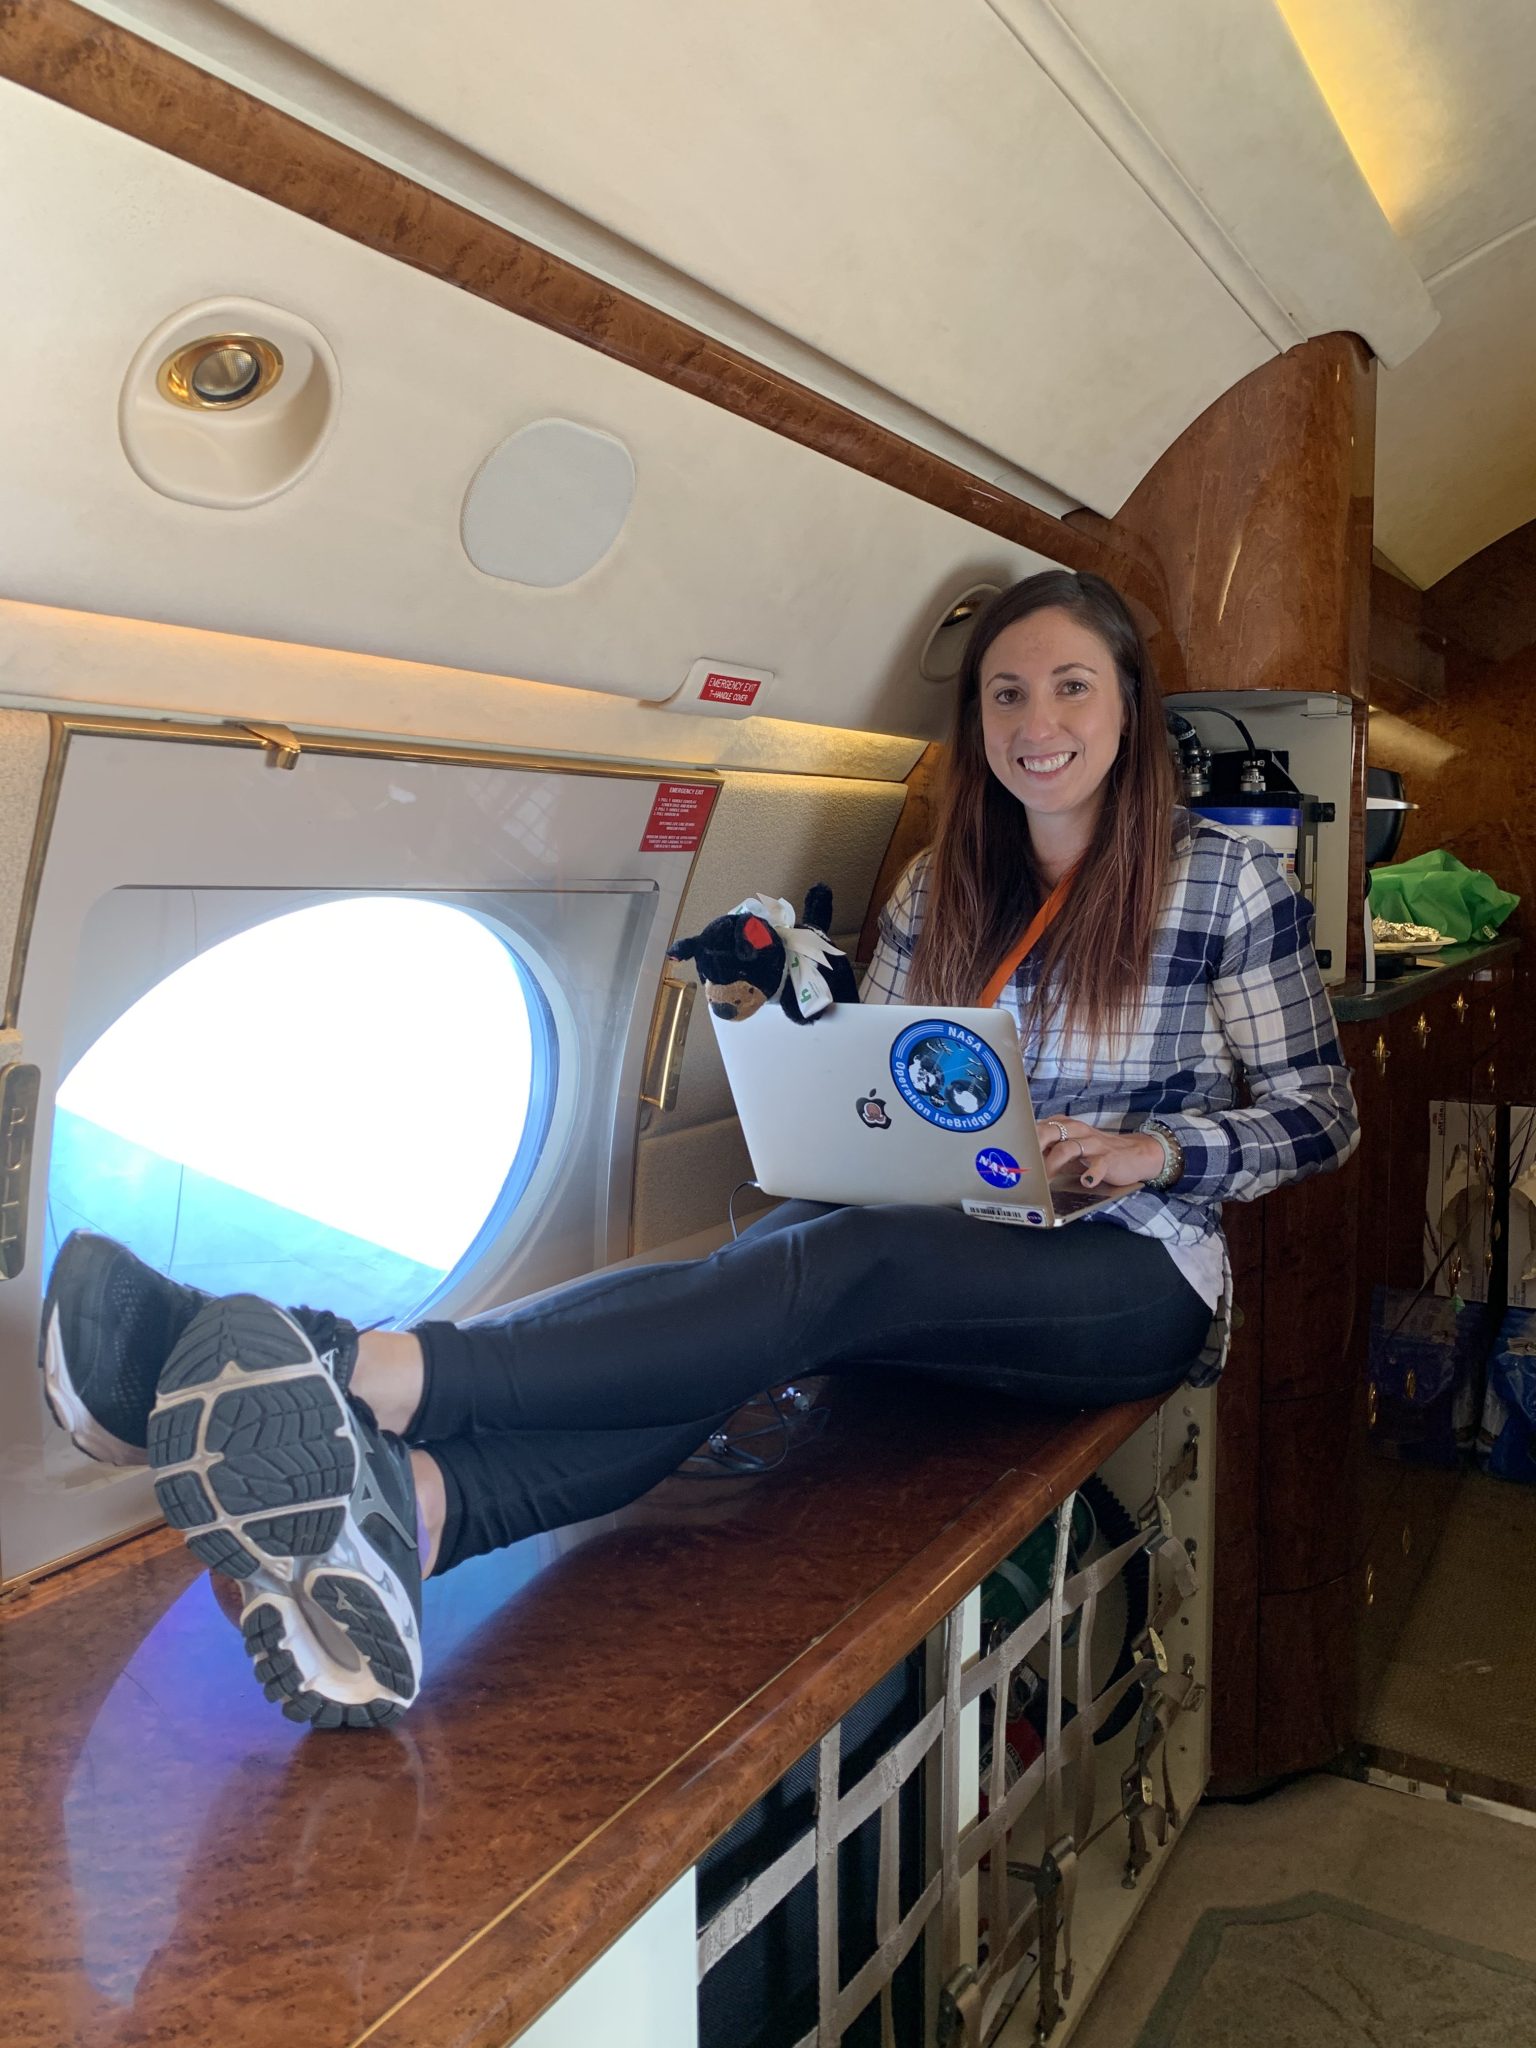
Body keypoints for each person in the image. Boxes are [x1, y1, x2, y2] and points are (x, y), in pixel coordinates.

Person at [39, 570, 1358, 1728]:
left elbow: (1318, 1112)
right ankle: (420, 1515)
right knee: (772, 1278)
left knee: (842, 1270)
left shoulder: (1226, 884)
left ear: (1130, 704)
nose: (1038, 724)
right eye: (1007, 696)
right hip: (953, 1229)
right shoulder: (938, 889)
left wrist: (1153, 1152)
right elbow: (890, 1094)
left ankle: (352, 1369)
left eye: (1071, 687)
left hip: (1129, 1277)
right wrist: (780, 1016)